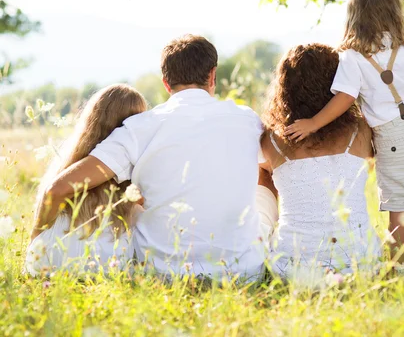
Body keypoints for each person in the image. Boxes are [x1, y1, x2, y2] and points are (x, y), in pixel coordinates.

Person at [33, 35, 275, 280]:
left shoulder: (139, 127)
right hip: (241, 272)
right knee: (264, 174)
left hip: (161, 273)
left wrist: (35, 246)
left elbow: (58, 189)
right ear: (213, 76)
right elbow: (276, 168)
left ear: (166, 84)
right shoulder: (246, 119)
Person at [284, 0, 404, 248]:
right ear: (396, 13)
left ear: (354, 17)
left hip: (393, 136)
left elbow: (345, 97)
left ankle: (398, 267)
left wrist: (313, 123)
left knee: (400, 208)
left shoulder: (353, 56)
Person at [261, 43, 381, 278]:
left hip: (293, 264)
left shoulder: (271, 138)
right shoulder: (362, 129)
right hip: (362, 261)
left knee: (264, 173)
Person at [27, 84, 147, 275]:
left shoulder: (68, 165)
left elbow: (52, 196)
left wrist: (36, 237)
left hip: (50, 262)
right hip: (107, 266)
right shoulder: (131, 169)